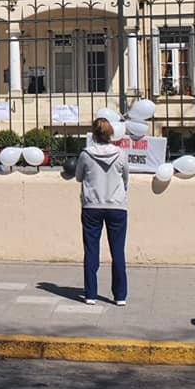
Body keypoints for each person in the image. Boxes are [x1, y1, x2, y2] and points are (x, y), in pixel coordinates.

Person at [74, 118, 130, 306]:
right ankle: (120, 296)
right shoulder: (121, 154)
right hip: (116, 206)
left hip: (92, 205)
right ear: (110, 134)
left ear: (94, 134)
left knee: (91, 250)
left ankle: (91, 294)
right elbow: (125, 178)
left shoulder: (86, 154)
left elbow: (78, 176)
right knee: (118, 252)